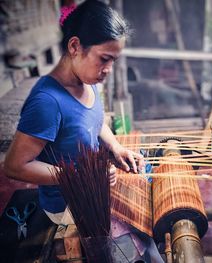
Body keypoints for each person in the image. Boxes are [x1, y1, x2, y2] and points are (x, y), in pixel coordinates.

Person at [4, 1, 163, 262]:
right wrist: (82, 176)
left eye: (113, 60)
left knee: (150, 227)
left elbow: (95, 121)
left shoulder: (88, 83)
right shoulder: (47, 102)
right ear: (75, 46)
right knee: (142, 243)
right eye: (104, 59)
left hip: (94, 185)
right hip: (67, 205)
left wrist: (116, 147)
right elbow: (14, 166)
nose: (108, 70)